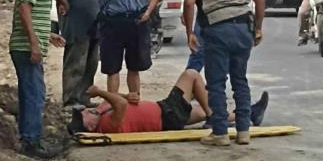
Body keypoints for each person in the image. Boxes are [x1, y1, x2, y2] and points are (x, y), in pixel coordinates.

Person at [183, 0, 265, 146]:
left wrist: (190, 33)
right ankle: (244, 131)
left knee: (217, 82)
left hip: (217, 29)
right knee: (240, 79)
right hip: (243, 28)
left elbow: (190, 2)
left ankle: (220, 132)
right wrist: (257, 28)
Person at [67, 70, 269, 135]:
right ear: (89, 126)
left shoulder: (100, 111)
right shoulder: (105, 125)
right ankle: (214, 118)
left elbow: (122, 102)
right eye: (82, 116)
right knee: (191, 75)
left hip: (165, 112)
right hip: (166, 115)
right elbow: (120, 107)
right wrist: (101, 91)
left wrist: (128, 96)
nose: (85, 111)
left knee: (199, 110)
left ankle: (250, 114)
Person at [9, 0, 67, 159]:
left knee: (30, 93)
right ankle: (32, 142)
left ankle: (29, 138)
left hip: (25, 45)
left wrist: (47, 35)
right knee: (35, 94)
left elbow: (30, 15)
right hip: (26, 47)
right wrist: (34, 43)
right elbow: (25, 9)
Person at [53, 0, 99, 108]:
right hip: (76, 27)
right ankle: (71, 99)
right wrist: (61, 1)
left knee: (91, 65)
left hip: (93, 28)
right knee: (75, 65)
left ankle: (84, 98)